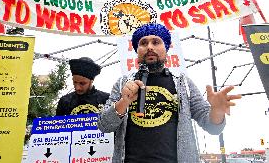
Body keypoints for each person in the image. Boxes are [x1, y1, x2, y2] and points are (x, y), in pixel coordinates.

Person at [97, 23, 241, 163]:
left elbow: (212, 127)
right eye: (144, 43)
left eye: (156, 42)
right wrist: (124, 102)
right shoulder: (123, 83)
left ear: (166, 47)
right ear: (137, 49)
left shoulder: (184, 84)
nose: (150, 47)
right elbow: (104, 125)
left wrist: (217, 110)